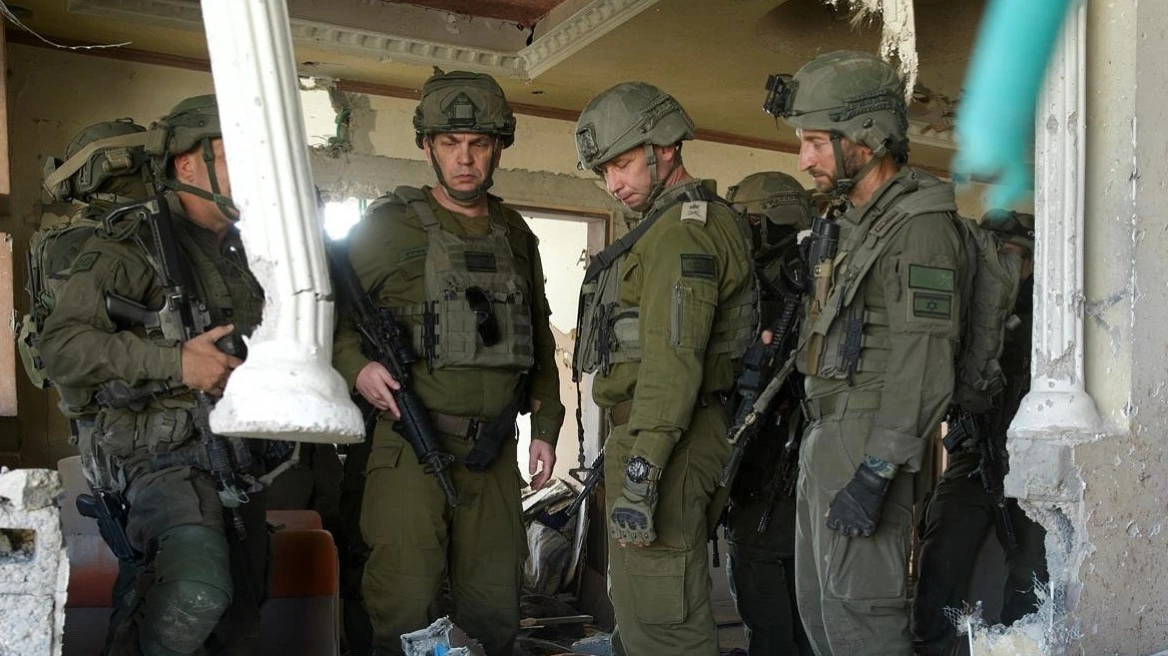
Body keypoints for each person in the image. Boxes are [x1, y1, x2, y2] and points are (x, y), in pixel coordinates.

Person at [331, 69, 565, 656]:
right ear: (427, 146)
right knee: (405, 604)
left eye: (478, 144)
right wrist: (357, 367)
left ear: (498, 147)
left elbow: (537, 334)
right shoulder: (388, 227)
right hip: (410, 445)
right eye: (450, 143)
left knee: (495, 606)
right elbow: (327, 318)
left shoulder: (515, 234)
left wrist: (545, 427)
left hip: (494, 452)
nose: (465, 159)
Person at [39, 95, 270, 655]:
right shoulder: (133, 244)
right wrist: (176, 363)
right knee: (194, 590)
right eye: (233, 155)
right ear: (186, 165)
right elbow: (61, 348)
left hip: (235, 458)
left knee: (237, 619)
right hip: (159, 460)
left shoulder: (240, 254)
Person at [763, 50, 969, 654]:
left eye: (815, 143)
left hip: (870, 436)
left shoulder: (919, 225)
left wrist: (877, 470)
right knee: (822, 616)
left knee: (864, 624)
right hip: (828, 431)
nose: (804, 160)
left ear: (866, 136)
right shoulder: (855, 222)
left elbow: (925, 359)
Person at [572, 81, 756, 656]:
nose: (614, 184)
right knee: (641, 613)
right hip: (660, 432)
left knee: (664, 625)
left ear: (666, 147)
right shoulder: (664, 227)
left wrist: (642, 470)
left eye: (622, 164)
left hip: (668, 439)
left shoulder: (682, 232)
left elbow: (673, 363)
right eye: (604, 171)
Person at [912, 210, 1047, 656]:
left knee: (1032, 568)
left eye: (1012, 254)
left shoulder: (1048, 316)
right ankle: (930, 645)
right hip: (975, 453)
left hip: (1031, 462)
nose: (1002, 264)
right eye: (995, 252)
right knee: (940, 547)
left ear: (1032, 260)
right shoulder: (969, 309)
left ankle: (1017, 647)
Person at [723, 171, 814, 656]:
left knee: (759, 573)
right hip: (785, 459)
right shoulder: (798, 277)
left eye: (750, 222)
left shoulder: (785, 286)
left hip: (775, 459)